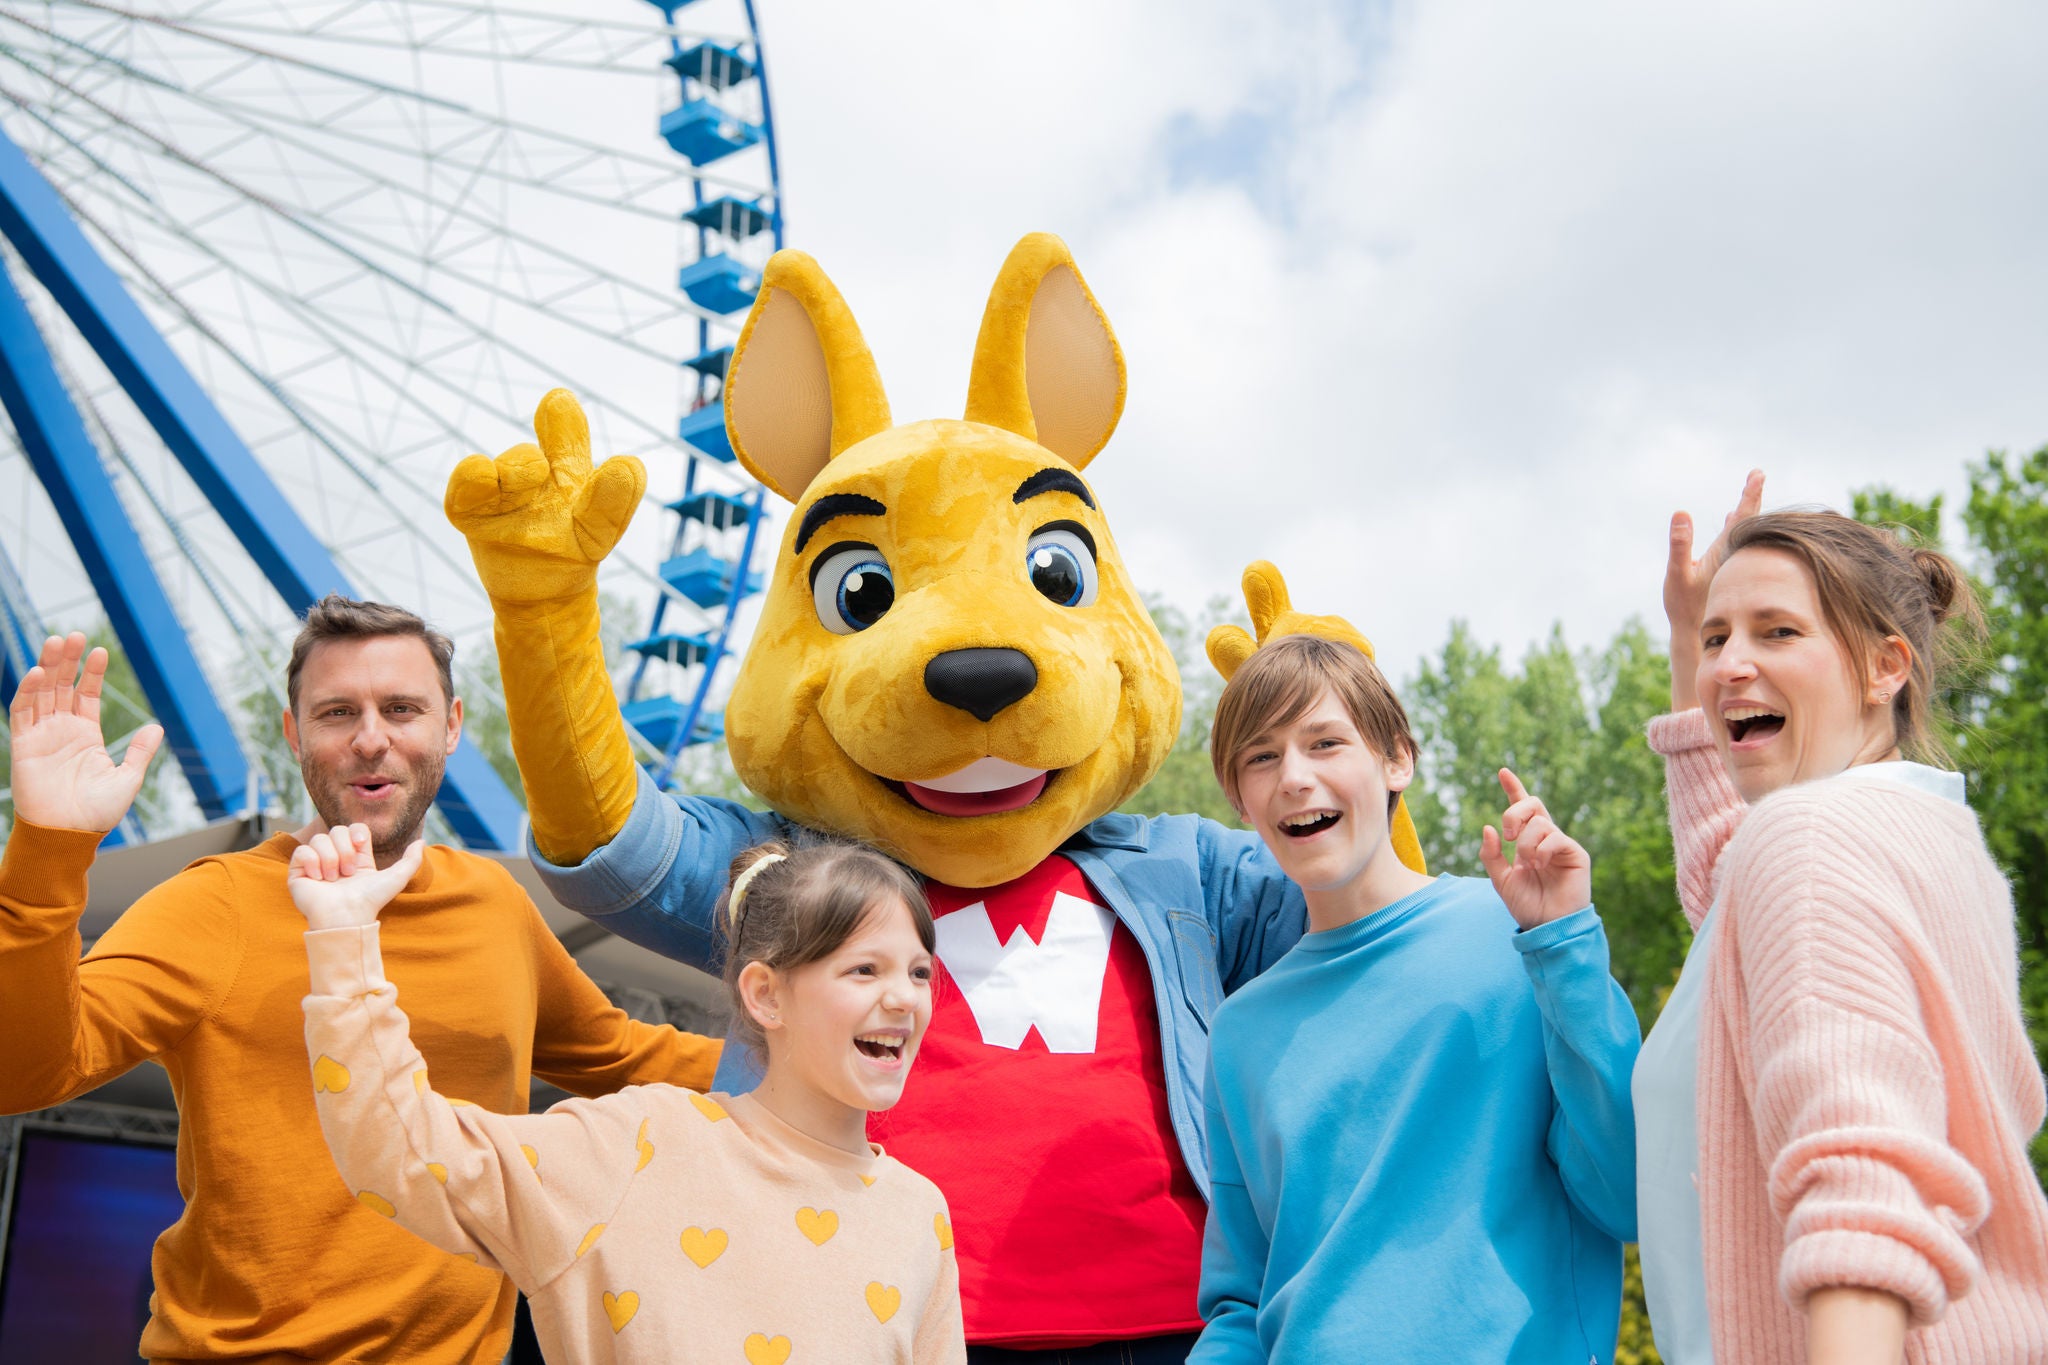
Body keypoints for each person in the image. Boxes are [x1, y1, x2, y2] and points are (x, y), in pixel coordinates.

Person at [0, 600, 722, 1363]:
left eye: (401, 708)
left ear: (451, 726)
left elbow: (629, 1058)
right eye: (338, 711)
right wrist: (48, 849)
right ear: (294, 734)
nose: (371, 737)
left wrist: (848, 1078)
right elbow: (22, 1071)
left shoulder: (496, 908)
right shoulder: (214, 903)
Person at [1636, 475, 2048, 1364]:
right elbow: (1730, 892)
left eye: (1777, 631)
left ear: (1884, 665)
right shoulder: (1931, 837)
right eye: (1718, 637)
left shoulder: (1812, 838)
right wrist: (1683, 635)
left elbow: (1861, 1184)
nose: (1727, 664)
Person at [293, 828, 965, 1363]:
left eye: (917, 971)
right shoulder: (638, 1145)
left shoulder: (919, 1213)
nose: (905, 996)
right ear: (765, 994)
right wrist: (344, 941)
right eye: (864, 969)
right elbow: (404, 1150)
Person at [1189, 633, 1641, 1364]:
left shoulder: (1522, 938)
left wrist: (1565, 944)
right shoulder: (1241, 1028)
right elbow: (1242, 1297)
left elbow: (1625, 1191)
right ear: (1241, 798)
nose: (1294, 777)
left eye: (1325, 742)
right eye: (1262, 757)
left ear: (1397, 757)